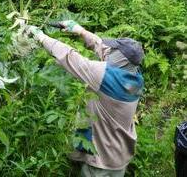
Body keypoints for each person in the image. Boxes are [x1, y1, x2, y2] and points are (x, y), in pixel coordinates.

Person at [26, 20, 145, 177]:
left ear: (119, 58)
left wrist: (40, 37)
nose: (108, 51)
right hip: (120, 153)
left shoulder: (103, 76)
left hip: (102, 160)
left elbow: (70, 56)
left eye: (113, 51)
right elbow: (102, 47)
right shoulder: (134, 78)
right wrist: (79, 30)